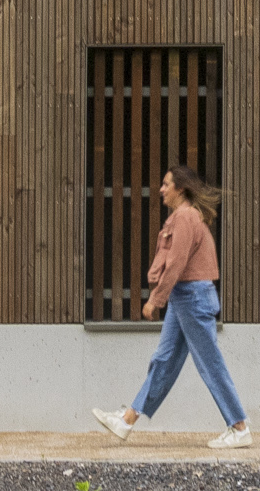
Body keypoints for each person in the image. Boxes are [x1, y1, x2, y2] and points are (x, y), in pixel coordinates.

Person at [95, 164, 250, 447]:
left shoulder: (185, 217)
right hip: (185, 297)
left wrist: (156, 300)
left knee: (210, 363)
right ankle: (127, 420)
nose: (161, 189)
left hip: (191, 297)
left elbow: (177, 263)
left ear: (181, 189)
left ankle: (239, 427)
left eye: (167, 184)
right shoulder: (186, 216)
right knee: (163, 361)